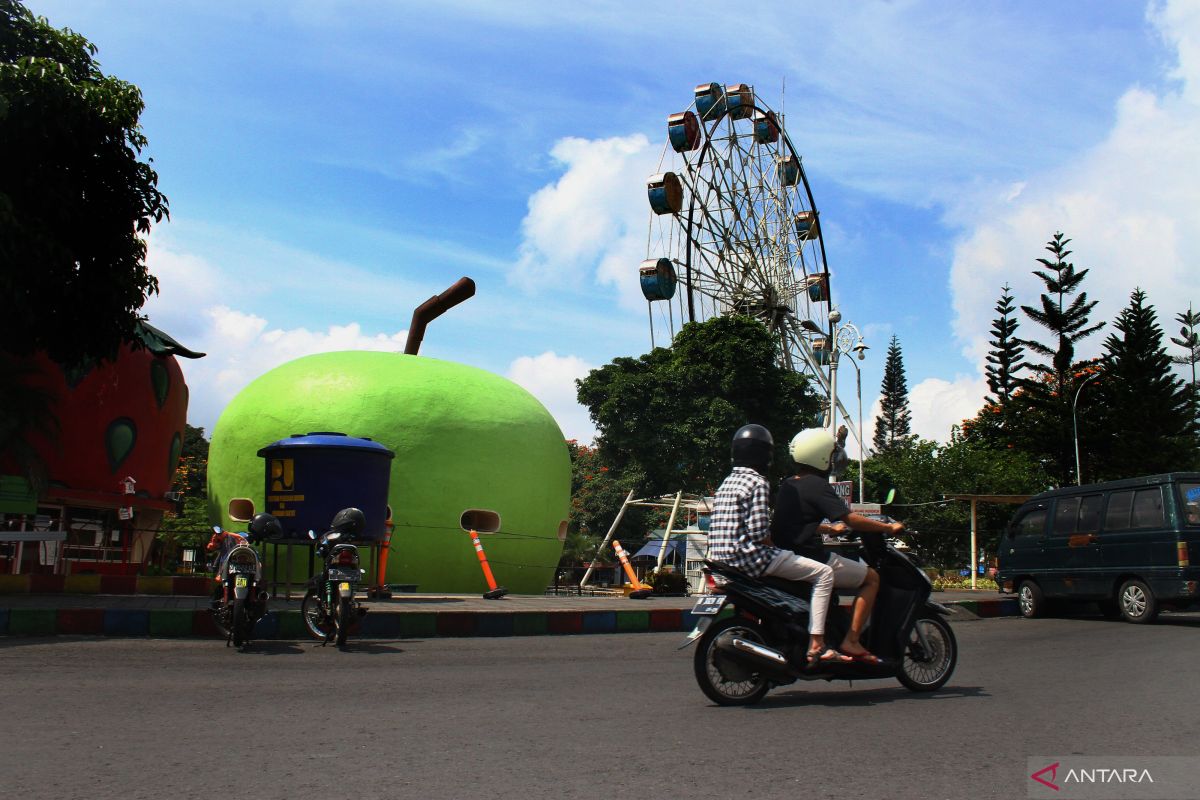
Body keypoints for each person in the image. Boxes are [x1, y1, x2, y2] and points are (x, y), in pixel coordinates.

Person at [706, 424, 848, 666]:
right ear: (765, 454)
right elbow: (759, 532)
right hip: (750, 558)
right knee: (824, 574)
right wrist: (779, 548)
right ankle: (817, 643)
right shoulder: (758, 482)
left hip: (721, 560)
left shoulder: (727, 482)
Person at [772, 427, 906, 664]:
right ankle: (851, 640)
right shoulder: (818, 485)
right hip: (809, 556)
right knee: (872, 578)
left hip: (786, 554)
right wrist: (887, 527)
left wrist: (827, 529)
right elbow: (850, 518)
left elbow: (795, 523)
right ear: (822, 456)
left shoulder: (788, 484)